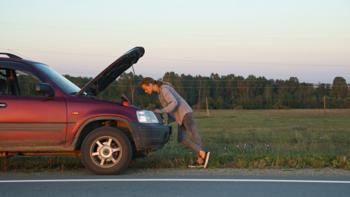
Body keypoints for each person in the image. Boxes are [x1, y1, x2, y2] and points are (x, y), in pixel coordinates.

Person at [141, 77, 210, 168]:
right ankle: (202, 156)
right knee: (181, 138)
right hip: (181, 116)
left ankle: (202, 158)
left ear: (150, 85)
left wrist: (161, 111)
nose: (145, 91)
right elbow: (170, 106)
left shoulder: (164, 89)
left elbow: (174, 102)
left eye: (145, 89)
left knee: (193, 135)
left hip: (185, 113)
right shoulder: (160, 91)